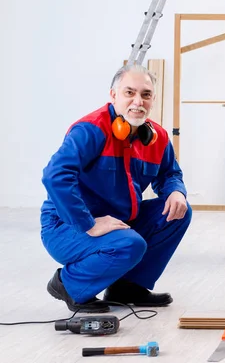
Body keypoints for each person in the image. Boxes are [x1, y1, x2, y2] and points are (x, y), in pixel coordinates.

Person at [40, 63, 192, 313]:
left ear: (153, 98)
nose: (138, 101)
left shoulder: (157, 138)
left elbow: (169, 173)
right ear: (113, 96)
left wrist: (176, 190)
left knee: (178, 212)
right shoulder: (90, 130)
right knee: (129, 244)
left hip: (120, 222)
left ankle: (128, 287)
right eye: (129, 92)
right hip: (66, 227)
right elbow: (55, 176)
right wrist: (88, 223)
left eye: (145, 94)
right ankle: (69, 284)